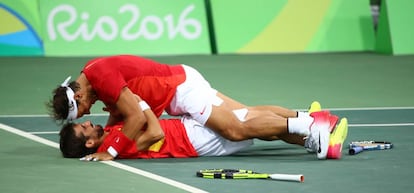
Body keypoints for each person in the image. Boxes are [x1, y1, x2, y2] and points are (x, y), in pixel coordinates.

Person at [47, 55, 334, 159]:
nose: (87, 113)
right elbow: (122, 118)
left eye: (81, 112)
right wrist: (110, 137)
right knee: (248, 118)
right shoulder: (96, 80)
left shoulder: (101, 77)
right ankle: (310, 123)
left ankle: (310, 128)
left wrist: (110, 151)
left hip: (181, 91)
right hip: (181, 89)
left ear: (78, 96)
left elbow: (135, 117)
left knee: (236, 129)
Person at [58, 97, 348, 161]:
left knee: (254, 115)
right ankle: (313, 127)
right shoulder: (118, 145)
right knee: (253, 123)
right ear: (88, 144)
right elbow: (155, 129)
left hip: (188, 128)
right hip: (191, 141)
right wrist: (141, 103)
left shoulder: (111, 132)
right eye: (84, 128)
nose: (87, 122)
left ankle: (315, 129)